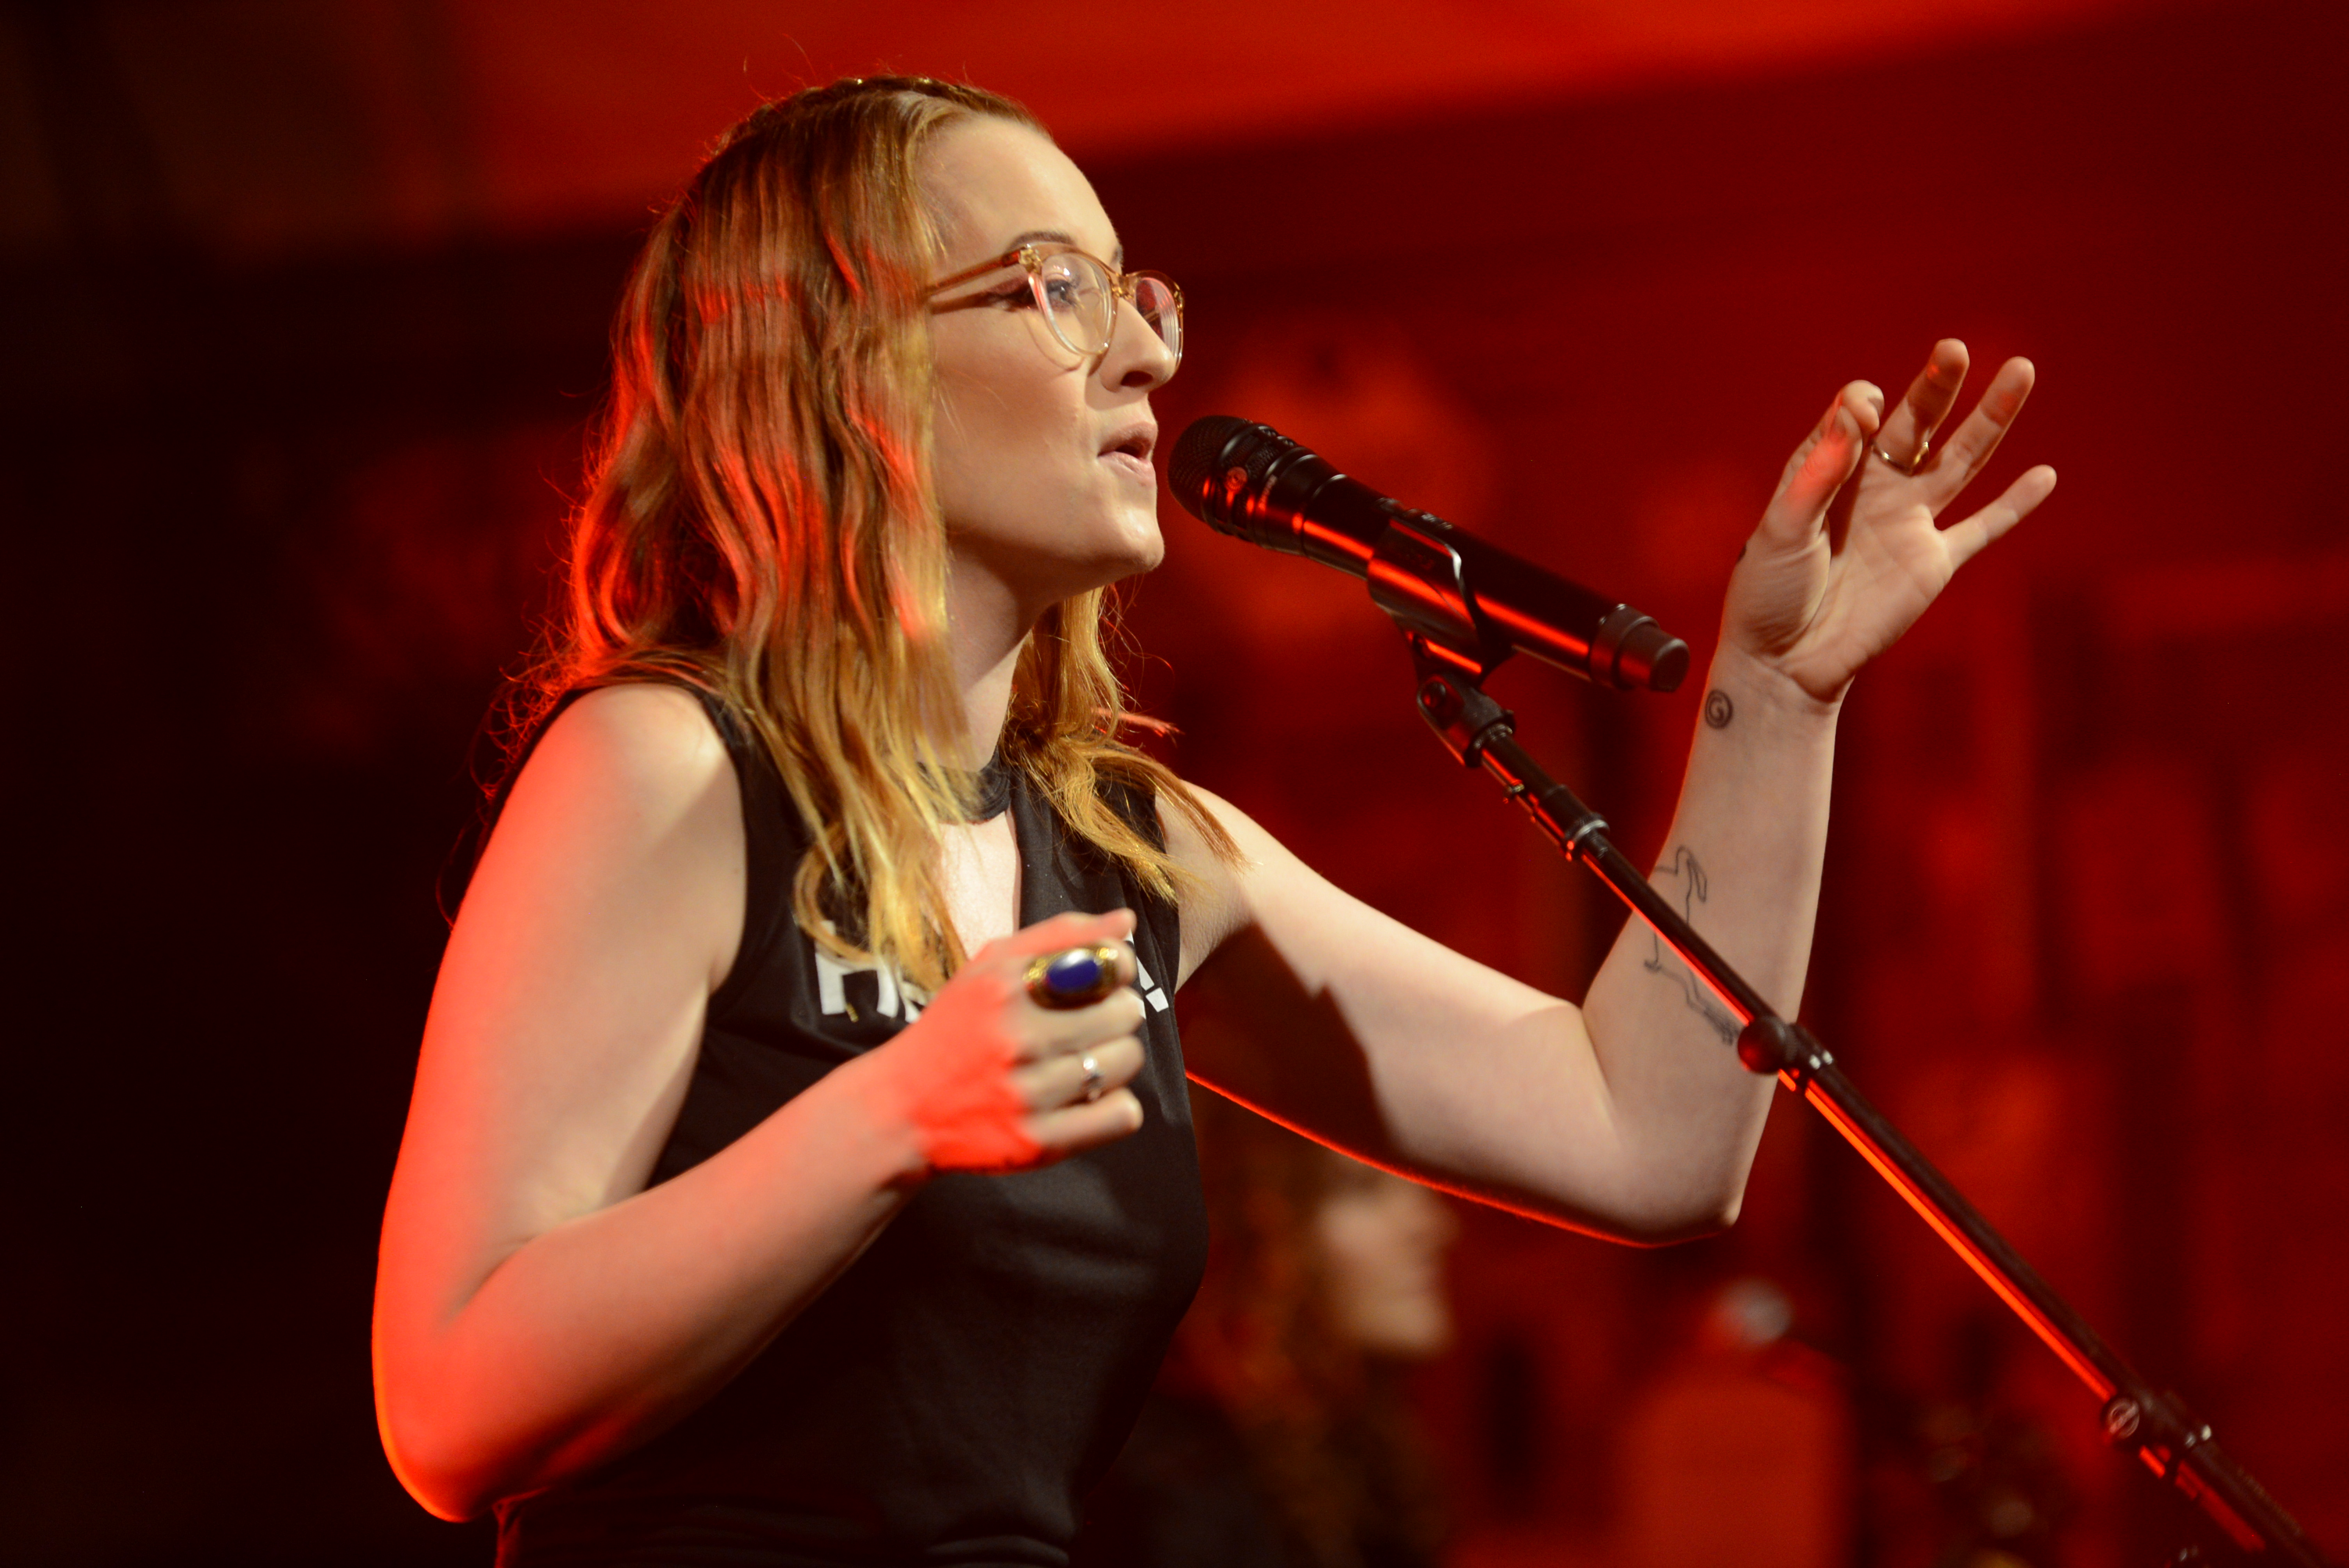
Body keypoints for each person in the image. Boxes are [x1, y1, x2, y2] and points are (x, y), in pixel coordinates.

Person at [369, 76, 2055, 1567]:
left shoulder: (1135, 847)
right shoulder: (667, 766)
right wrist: (890, 1114)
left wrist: (1779, 699)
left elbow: (1651, 1138)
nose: (1150, 348)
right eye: (1056, 288)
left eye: (1140, 292)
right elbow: (445, 1400)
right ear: (841, 363)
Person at [1072, 1089, 1459, 1568]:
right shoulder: (1174, 1484)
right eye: (1360, 1188)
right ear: (1257, 1228)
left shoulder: (1366, 1454)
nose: (1434, 1226)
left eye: (1419, 1186)